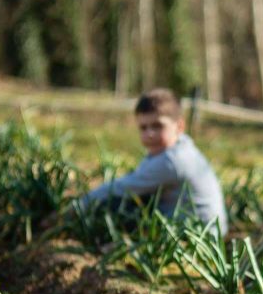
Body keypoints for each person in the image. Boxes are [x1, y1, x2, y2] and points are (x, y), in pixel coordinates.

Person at [80, 88, 228, 235]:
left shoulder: (172, 161)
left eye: (158, 126)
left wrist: (79, 205)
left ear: (179, 126)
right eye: (143, 128)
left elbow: (121, 187)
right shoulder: (181, 147)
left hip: (195, 235)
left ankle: (121, 242)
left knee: (114, 204)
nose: (149, 134)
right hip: (207, 231)